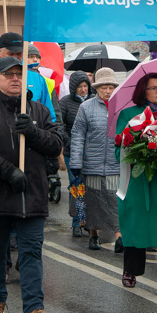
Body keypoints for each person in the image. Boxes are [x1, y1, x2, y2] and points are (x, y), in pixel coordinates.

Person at [0, 57, 63, 313]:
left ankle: (34, 311)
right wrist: (8, 172)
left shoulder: (40, 111)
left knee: (31, 252)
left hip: (32, 196)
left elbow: (55, 145)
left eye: (19, 74)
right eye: (8, 75)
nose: (15, 79)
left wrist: (32, 132)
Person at [116, 73, 157, 299]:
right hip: (138, 180)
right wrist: (140, 150)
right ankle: (131, 270)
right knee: (136, 224)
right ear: (142, 91)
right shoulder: (128, 115)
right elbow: (119, 149)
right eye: (153, 88)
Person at [69, 67, 121, 252]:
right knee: (93, 202)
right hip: (92, 164)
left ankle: (119, 235)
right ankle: (94, 235)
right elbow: (78, 136)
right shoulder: (86, 107)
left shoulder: (122, 107)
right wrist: (76, 163)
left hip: (116, 165)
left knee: (115, 201)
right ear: (96, 88)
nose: (107, 91)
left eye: (111, 87)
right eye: (103, 87)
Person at [0, 33, 56, 124]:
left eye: (19, 54)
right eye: (11, 54)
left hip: (31, 135)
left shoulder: (37, 78)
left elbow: (50, 116)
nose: (15, 58)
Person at [60, 70, 93, 237]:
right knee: (77, 186)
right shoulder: (65, 103)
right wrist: (70, 142)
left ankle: (89, 222)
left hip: (91, 152)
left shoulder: (94, 102)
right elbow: (60, 125)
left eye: (85, 86)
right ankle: (77, 222)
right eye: (79, 86)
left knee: (90, 188)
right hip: (72, 152)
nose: (83, 89)